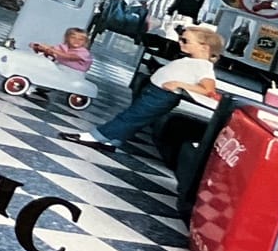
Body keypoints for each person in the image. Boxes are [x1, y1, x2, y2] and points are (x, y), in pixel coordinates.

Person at [66, 24, 225, 154]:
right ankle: (112, 141)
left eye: (185, 41)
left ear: (204, 47)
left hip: (161, 96)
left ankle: (95, 136)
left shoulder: (203, 66)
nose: (180, 42)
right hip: (155, 93)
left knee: (129, 117)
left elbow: (208, 90)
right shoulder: (193, 61)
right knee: (135, 118)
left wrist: (179, 84)